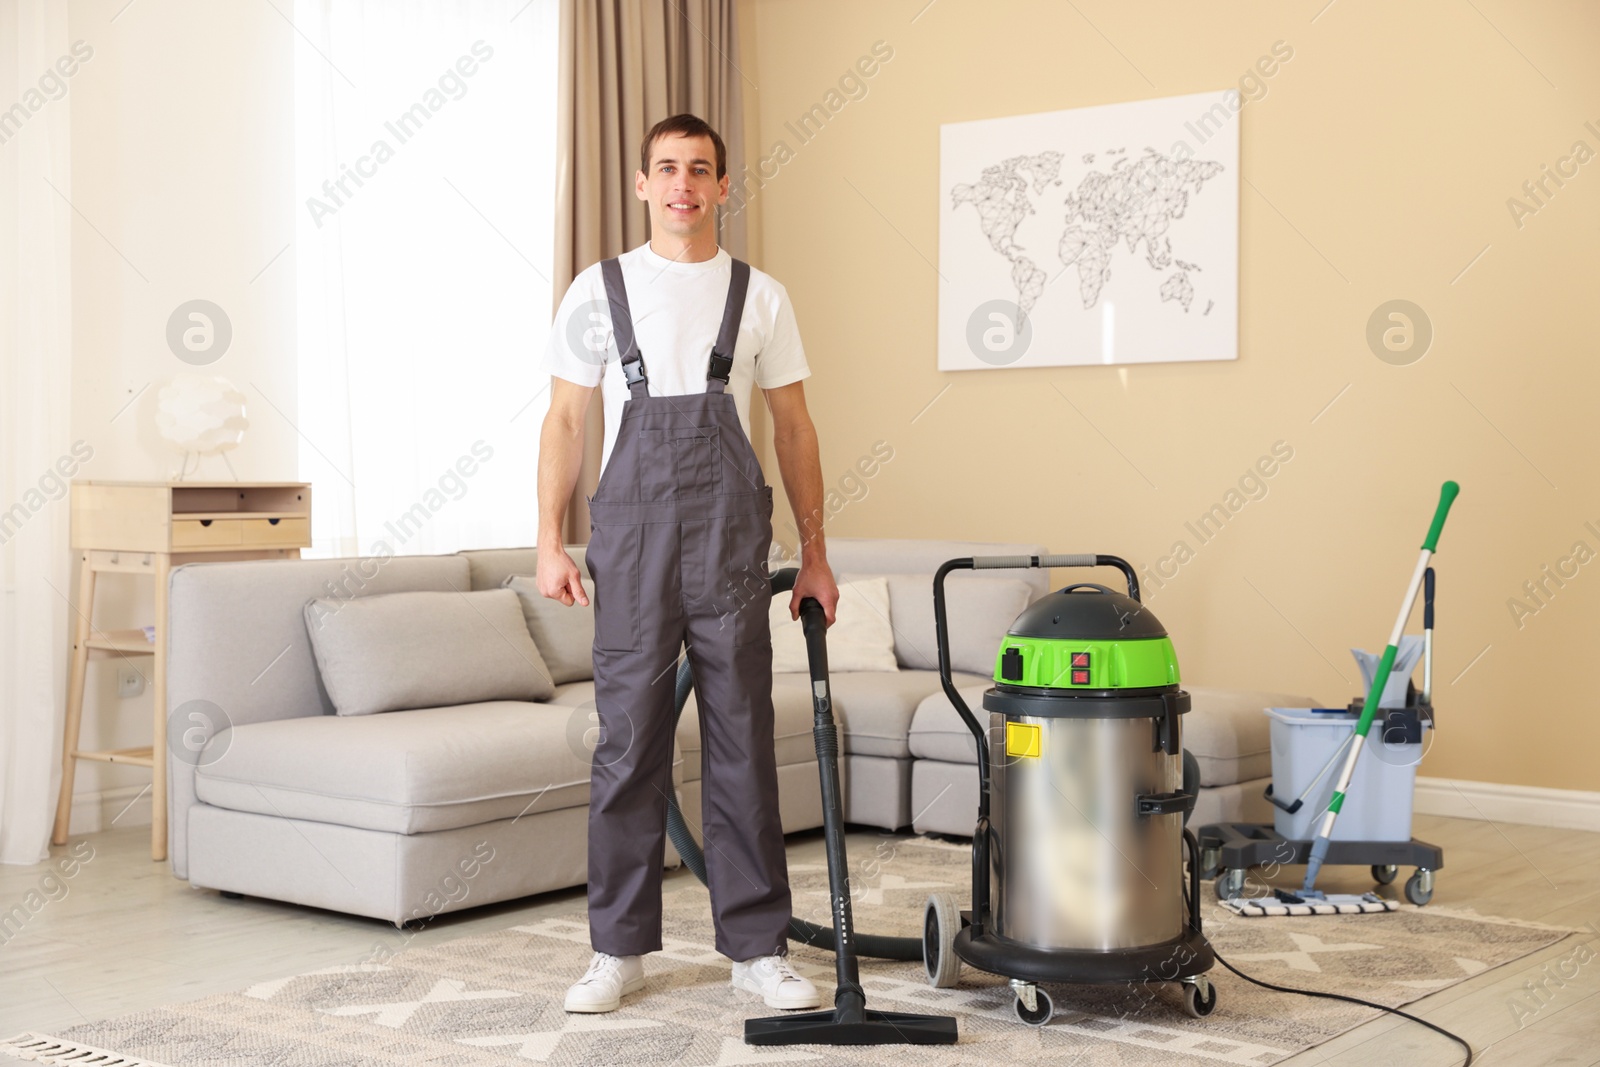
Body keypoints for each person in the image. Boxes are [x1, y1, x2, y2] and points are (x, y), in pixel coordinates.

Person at [536, 113, 840, 1015]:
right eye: (666, 169)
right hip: (629, 540)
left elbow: (793, 428)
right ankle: (616, 950)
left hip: (730, 538)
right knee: (628, 739)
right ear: (642, 186)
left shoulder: (761, 296)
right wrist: (550, 540)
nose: (682, 185)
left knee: (742, 730)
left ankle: (757, 948)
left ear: (720, 187)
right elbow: (564, 421)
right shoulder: (599, 291)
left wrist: (816, 553)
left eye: (699, 170)